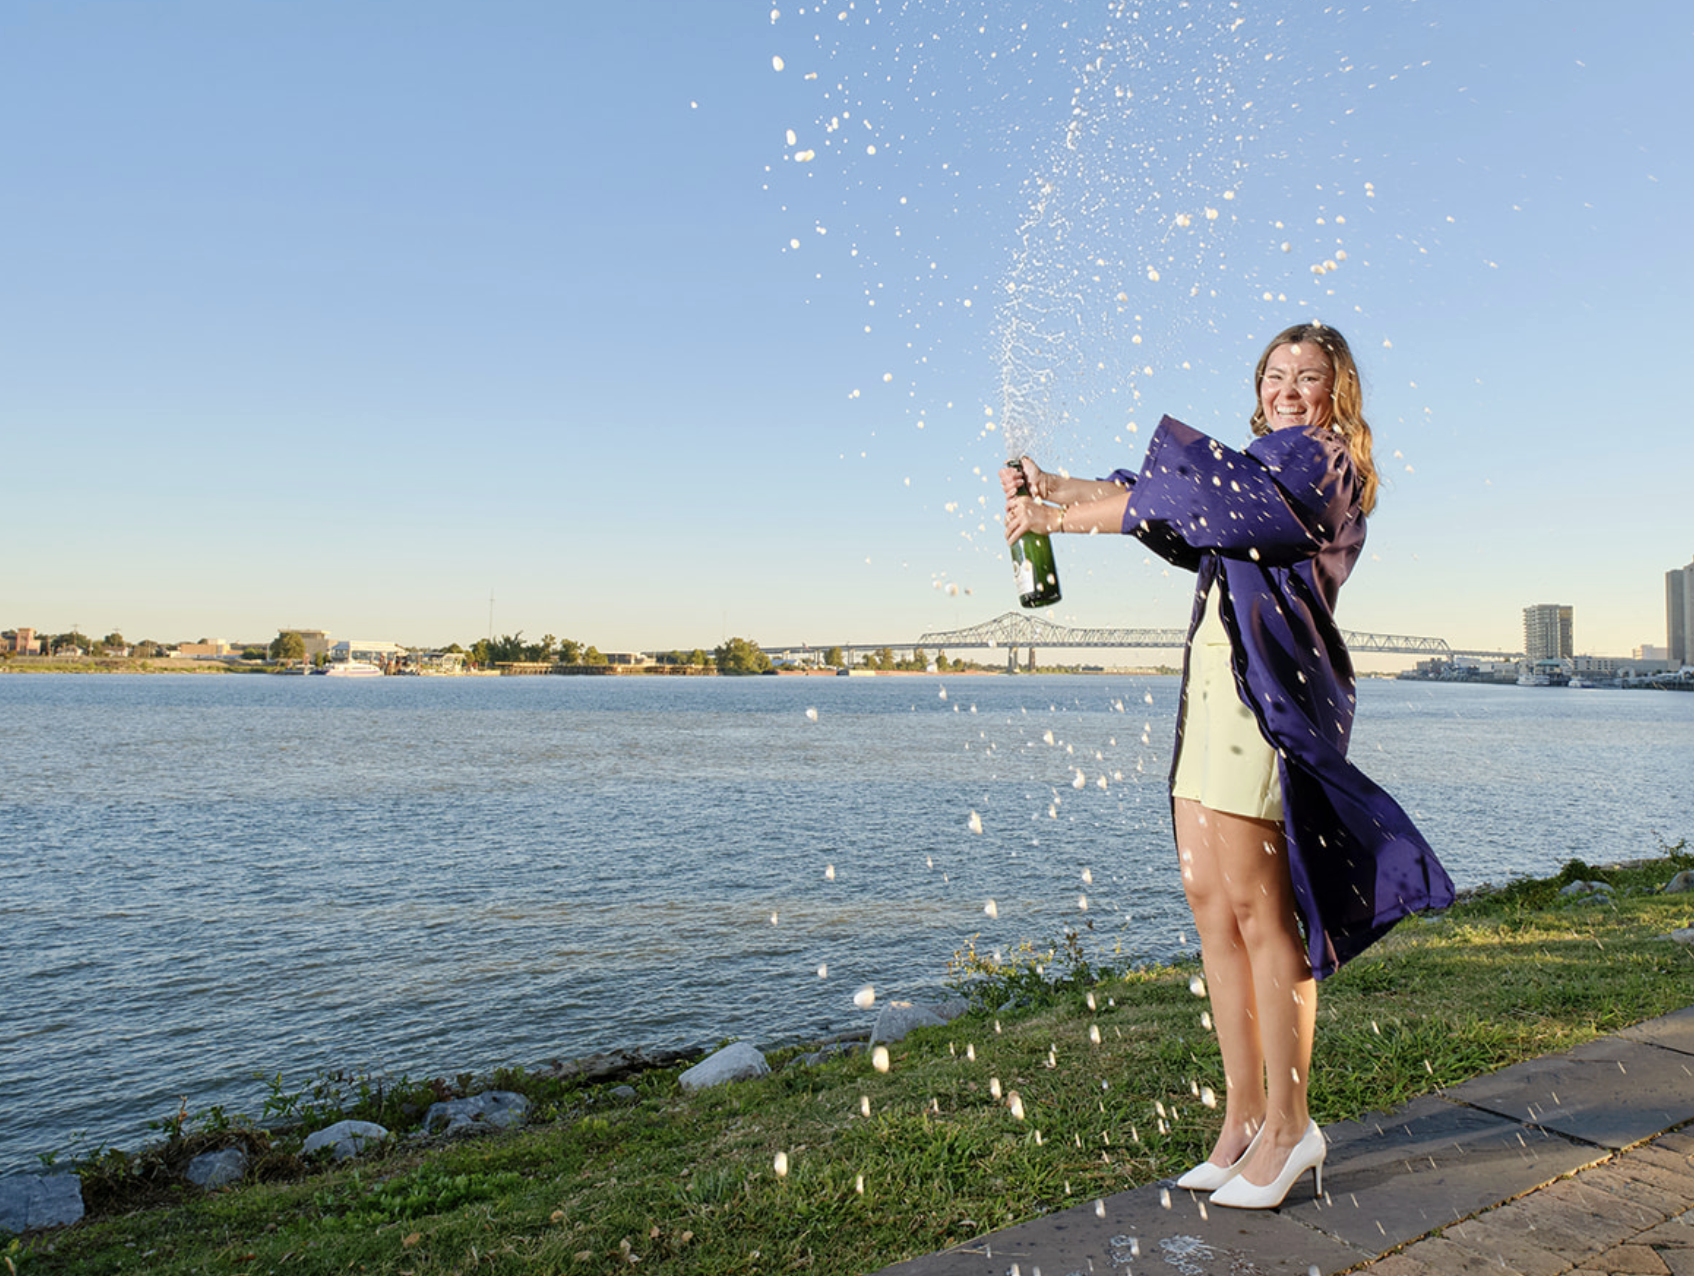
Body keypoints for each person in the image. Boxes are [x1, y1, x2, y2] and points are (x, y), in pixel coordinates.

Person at [1001, 323, 1454, 1210]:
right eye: (1276, 374)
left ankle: (1292, 1125)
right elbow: (1175, 513)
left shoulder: (1325, 467)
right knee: (1212, 903)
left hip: (1266, 697)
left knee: (1259, 907)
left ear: (1338, 394)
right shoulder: (1246, 468)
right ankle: (1242, 1117)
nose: (1289, 387)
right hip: (1211, 685)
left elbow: (1213, 503)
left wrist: (1065, 516)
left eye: (1309, 376)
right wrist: (1057, 491)